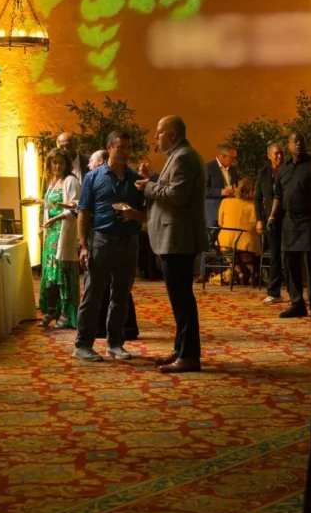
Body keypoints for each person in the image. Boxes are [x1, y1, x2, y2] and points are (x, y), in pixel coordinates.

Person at [140, 116, 210, 374]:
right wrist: (154, 178)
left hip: (178, 238)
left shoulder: (183, 157)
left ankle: (189, 355)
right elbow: (172, 186)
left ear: (171, 134)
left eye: (159, 132)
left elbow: (176, 196)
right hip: (176, 237)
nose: (155, 137)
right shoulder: (180, 155)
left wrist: (148, 187)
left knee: (182, 300)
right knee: (180, 298)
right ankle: (181, 348)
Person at [74, 131, 147, 361]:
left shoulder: (135, 179)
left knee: (121, 296)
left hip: (128, 242)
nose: (125, 152)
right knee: (93, 294)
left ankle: (115, 343)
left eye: (128, 148)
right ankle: (82, 344)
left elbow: (147, 214)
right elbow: (83, 212)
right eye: (121, 147)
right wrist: (83, 245)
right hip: (101, 240)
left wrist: (137, 215)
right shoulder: (93, 177)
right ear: (110, 147)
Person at [39, 150, 81, 330]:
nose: (57, 166)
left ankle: (66, 313)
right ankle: (52, 309)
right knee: (51, 275)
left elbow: (75, 209)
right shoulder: (52, 182)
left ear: (67, 164)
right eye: (53, 163)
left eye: (60, 162)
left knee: (62, 274)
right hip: (51, 234)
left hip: (63, 233)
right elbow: (52, 205)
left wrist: (54, 219)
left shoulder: (70, 181)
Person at [276, 132, 311, 319]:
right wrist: (270, 218)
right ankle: (296, 302)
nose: (298, 144)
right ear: (289, 145)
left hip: (308, 219)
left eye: (301, 140)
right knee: (289, 263)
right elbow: (278, 195)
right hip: (289, 220)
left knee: (309, 264)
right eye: (294, 141)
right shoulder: (283, 169)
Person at [256, 141, 285, 303]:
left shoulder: (288, 170)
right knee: (274, 255)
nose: (280, 156)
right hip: (270, 220)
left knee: (288, 255)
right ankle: (274, 292)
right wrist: (259, 219)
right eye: (276, 153)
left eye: (281, 152)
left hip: (288, 218)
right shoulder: (264, 173)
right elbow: (257, 198)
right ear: (269, 156)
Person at [218, 178, 261, 285]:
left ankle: (238, 271)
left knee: (230, 249)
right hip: (245, 243)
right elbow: (254, 226)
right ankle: (252, 272)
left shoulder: (225, 202)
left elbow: (220, 222)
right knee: (244, 249)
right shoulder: (253, 206)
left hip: (225, 241)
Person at [205, 145, 239, 231]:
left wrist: (236, 191)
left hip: (229, 211)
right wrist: (221, 192)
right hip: (213, 212)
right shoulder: (208, 167)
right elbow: (203, 190)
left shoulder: (233, 169)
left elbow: (236, 185)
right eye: (232, 158)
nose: (234, 161)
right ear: (223, 156)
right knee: (211, 239)